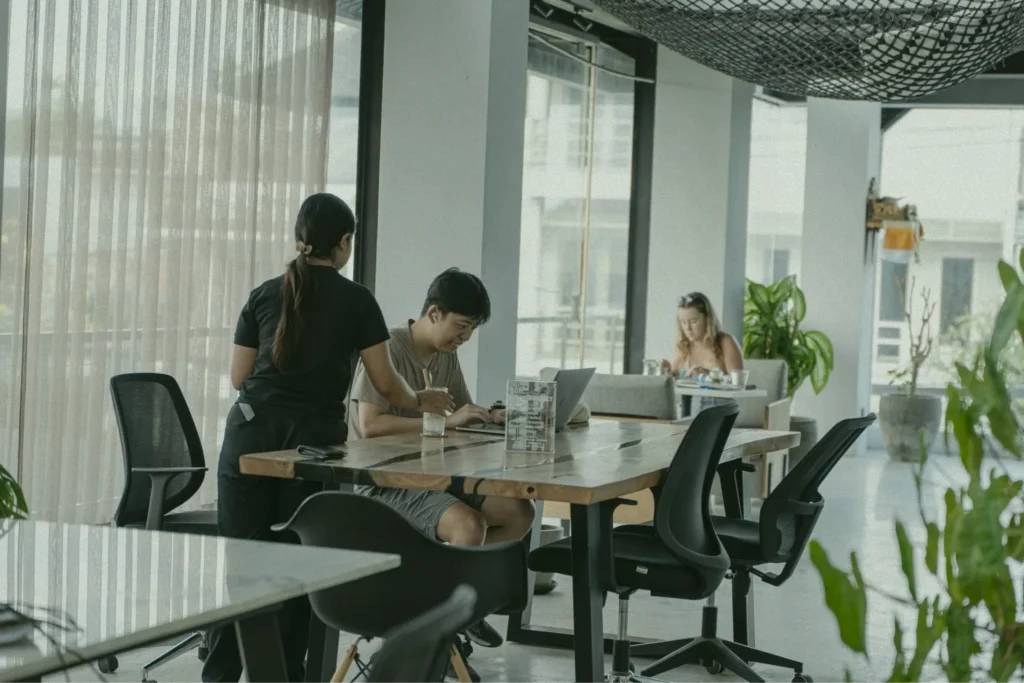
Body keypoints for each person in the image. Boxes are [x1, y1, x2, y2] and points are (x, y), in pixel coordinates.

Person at [201, 193, 453, 683]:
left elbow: (238, 377)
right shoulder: (357, 299)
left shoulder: (263, 294)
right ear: (343, 243)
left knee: (239, 566)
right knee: (299, 567)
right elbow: (385, 384)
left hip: (249, 434)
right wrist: (420, 399)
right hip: (310, 446)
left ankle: (219, 677)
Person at [348, 268, 536, 670]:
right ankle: (444, 631)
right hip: (384, 483)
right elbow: (370, 427)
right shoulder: (390, 349)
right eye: (461, 327)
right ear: (434, 313)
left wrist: (491, 415)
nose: (464, 339)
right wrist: (446, 423)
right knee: (468, 526)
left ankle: (451, 603)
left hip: (434, 479)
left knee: (518, 511)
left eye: (470, 331)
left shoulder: (446, 357)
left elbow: (461, 413)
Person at [662, 291, 743, 378]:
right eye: (683, 322)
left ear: (707, 319)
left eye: (693, 321)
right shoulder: (683, 345)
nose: (688, 328)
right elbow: (674, 378)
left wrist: (711, 375)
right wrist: (666, 370)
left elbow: (738, 382)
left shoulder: (725, 342)